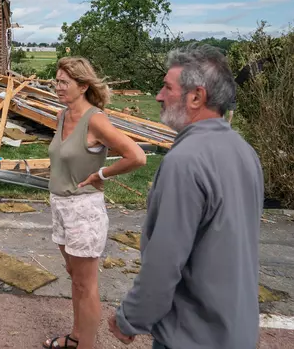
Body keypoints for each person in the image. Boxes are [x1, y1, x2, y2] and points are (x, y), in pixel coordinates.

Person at [108, 44, 264, 349]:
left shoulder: (185, 161)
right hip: (237, 330)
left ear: (196, 97)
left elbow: (165, 261)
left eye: (167, 87)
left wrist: (131, 318)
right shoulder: (245, 152)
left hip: (192, 336)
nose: (158, 95)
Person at [44, 57, 147, 349]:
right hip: (60, 205)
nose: (58, 86)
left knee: (86, 285)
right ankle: (76, 337)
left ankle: (86, 345)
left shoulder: (96, 119)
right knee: (74, 277)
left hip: (83, 209)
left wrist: (101, 173)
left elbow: (136, 156)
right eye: (57, 80)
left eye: (64, 82)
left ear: (83, 86)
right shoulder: (62, 116)